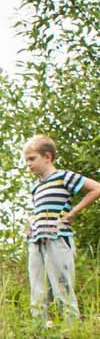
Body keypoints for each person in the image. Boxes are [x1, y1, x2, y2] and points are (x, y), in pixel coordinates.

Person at [22, 134, 100, 322]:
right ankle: (39, 334)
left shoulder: (63, 177)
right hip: (36, 240)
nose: (29, 165)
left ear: (47, 157)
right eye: (26, 161)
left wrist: (73, 213)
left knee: (62, 287)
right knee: (38, 290)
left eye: (32, 159)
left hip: (57, 238)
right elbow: (42, 209)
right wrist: (31, 226)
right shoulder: (36, 187)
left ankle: (72, 330)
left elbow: (96, 188)